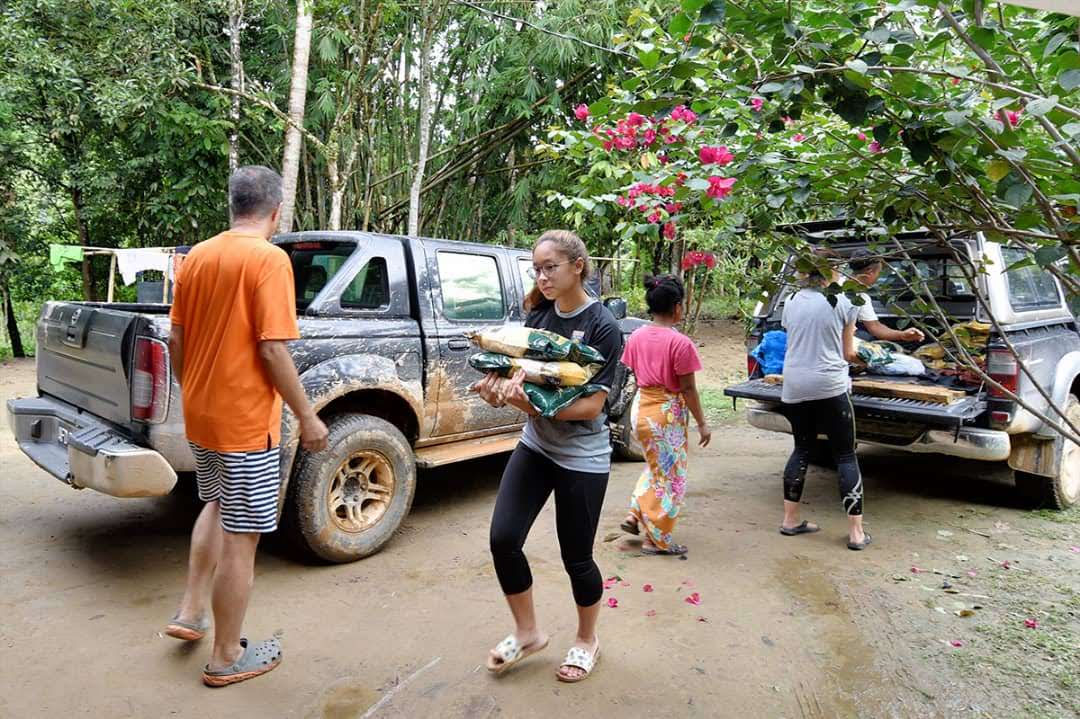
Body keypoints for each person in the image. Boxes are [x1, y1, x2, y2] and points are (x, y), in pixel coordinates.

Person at [164, 165, 328, 687]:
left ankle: (191, 611)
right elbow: (273, 348)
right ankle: (226, 656)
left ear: (232, 205)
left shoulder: (197, 257)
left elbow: (175, 340)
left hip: (203, 414)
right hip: (245, 423)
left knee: (213, 504)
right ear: (276, 211)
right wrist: (307, 416)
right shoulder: (268, 259)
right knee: (243, 535)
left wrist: (193, 389)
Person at [474, 230, 622, 683]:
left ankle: (586, 639)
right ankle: (528, 632)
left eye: (550, 267)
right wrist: (497, 390)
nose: (541, 277)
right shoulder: (537, 312)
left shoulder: (604, 327)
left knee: (576, 557)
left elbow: (591, 407)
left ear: (578, 265)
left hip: (582, 454)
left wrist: (520, 402)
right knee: (503, 539)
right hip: (537, 444)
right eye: (536, 268)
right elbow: (516, 372)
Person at [779, 248, 871, 550]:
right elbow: (848, 353)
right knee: (845, 455)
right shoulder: (844, 301)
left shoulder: (791, 301)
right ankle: (856, 533)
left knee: (801, 448)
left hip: (794, 385)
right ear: (833, 270)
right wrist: (868, 361)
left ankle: (790, 520)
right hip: (829, 385)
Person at [618, 274, 711, 556]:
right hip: (664, 415)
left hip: (641, 408)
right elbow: (688, 389)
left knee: (657, 467)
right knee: (672, 478)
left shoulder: (636, 336)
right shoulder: (680, 344)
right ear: (678, 307)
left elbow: (633, 371)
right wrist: (703, 423)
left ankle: (635, 513)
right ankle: (655, 539)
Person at [848, 249, 924, 343]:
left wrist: (902, 335)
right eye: (878, 273)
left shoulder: (861, 297)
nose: (878, 277)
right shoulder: (842, 292)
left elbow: (875, 327)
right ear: (870, 272)